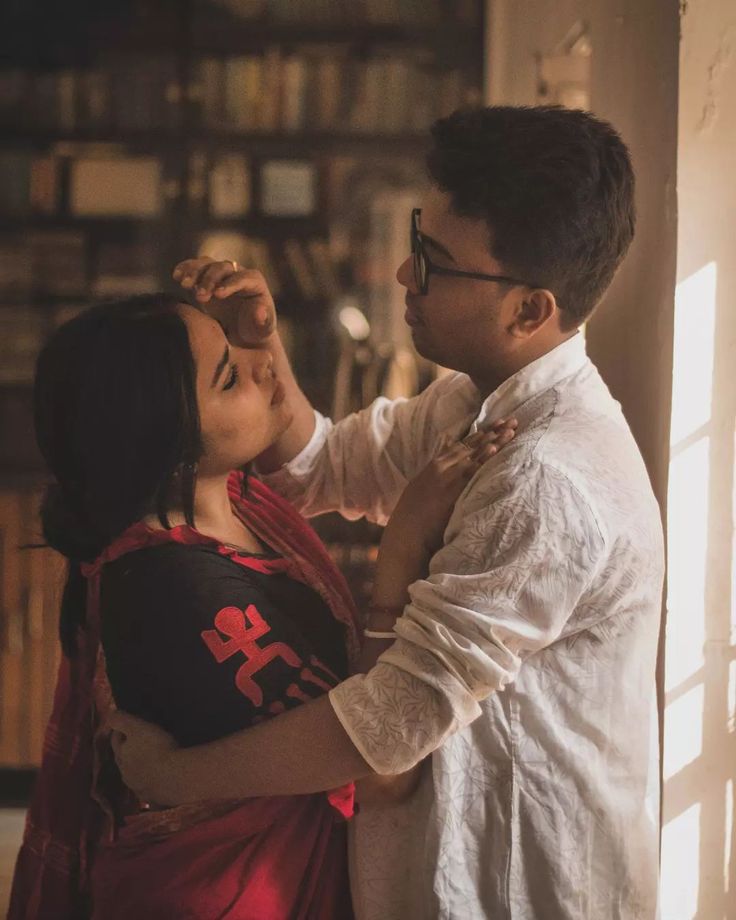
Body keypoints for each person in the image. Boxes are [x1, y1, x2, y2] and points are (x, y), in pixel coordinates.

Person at [111, 104, 666, 920]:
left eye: (433, 262)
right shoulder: (474, 403)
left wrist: (171, 778)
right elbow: (324, 466)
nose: (406, 276)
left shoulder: (545, 476)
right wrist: (266, 357)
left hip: (516, 888)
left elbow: (388, 729)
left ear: (529, 310)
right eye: (418, 239)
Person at [8, 292, 513, 919]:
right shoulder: (180, 590)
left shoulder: (240, 505)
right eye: (229, 375)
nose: (262, 365)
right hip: (226, 898)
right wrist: (402, 547)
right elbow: (379, 774)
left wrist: (261, 334)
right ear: (168, 439)